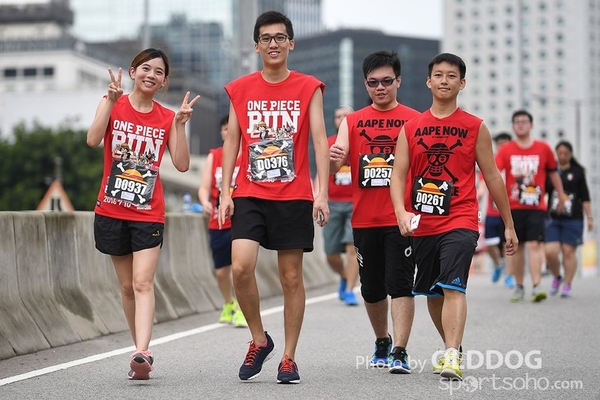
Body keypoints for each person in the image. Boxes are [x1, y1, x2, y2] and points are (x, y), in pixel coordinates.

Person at [390, 53, 518, 381]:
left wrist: (509, 224)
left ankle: (450, 355)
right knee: (433, 293)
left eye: (451, 76)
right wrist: (401, 212)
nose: (444, 80)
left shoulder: (475, 127)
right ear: (428, 81)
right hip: (423, 223)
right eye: (438, 75)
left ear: (462, 83)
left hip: (461, 218)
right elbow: (398, 175)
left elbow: (492, 176)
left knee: (452, 285)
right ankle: (454, 346)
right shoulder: (411, 128)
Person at [218, 11, 330, 384]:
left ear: (291, 43)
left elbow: (319, 141)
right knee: (240, 267)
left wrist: (321, 193)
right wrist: (225, 192)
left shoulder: (309, 87)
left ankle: (288, 357)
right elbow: (232, 142)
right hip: (250, 192)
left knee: (291, 277)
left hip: (294, 194)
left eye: (280, 37)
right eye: (266, 38)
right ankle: (259, 339)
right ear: (257, 46)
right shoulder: (240, 88)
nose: (273, 44)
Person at [87, 48, 200, 380]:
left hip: (148, 212)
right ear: (133, 71)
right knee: (126, 287)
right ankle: (139, 353)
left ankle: (143, 352)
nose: (151, 75)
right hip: (111, 208)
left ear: (164, 82)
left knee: (142, 282)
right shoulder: (113, 103)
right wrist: (110, 100)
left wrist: (180, 125)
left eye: (159, 72)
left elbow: (182, 164)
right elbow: (92, 140)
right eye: (146, 69)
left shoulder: (167, 117)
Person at [330, 50, 419, 374]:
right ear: (365, 85)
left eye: (386, 81)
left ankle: (400, 350)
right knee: (371, 288)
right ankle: (382, 340)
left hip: (401, 218)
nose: (380, 87)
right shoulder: (353, 121)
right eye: (373, 83)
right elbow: (336, 162)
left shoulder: (414, 120)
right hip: (365, 219)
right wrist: (333, 157)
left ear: (398, 81)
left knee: (401, 284)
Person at [495, 110, 566, 303]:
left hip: (536, 206)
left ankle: (536, 286)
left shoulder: (543, 148)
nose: (520, 124)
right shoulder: (506, 150)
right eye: (516, 122)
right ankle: (519, 286)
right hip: (513, 206)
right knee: (517, 247)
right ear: (513, 126)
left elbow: (553, 173)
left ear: (531, 125)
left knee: (535, 244)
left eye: (524, 121)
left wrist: (561, 195)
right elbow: (493, 173)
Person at [198, 115, 247, 327]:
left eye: (232, 128)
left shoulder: (248, 154)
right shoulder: (215, 156)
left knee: (240, 268)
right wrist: (204, 202)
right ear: (221, 132)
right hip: (218, 221)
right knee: (221, 272)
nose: (229, 132)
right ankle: (229, 303)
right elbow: (203, 187)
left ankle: (242, 309)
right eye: (225, 129)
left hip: (242, 220)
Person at [314, 105, 359, 306]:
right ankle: (344, 276)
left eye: (346, 115)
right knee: (331, 253)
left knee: (352, 248)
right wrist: (318, 197)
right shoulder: (329, 143)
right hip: (332, 203)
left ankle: (349, 290)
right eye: (338, 116)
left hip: (355, 203)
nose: (342, 119)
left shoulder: (362, 141)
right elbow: (320, 173)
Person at [545, 140, 593, 298]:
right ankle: (557, 275)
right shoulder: (551, 171)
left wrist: (589, 217)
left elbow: (585, 196)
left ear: (571, 154)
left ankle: (567, 284)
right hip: (553, 218)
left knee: (568, 252)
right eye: (560, 153)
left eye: (566, 153)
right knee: (550, 251)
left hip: (573, 218)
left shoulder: (578, 172)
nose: (563, 156)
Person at [477, 132, 516, 287]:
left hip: (509, 210)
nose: (502, 146)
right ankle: (498, 265)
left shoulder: (514, 164)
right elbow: (483, 181)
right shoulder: (491, 162)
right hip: (492, 210)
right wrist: (479, 194)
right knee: (489, 243)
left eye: (505, 143)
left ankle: (509, 275)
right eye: (500, 144)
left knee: (508, 243)